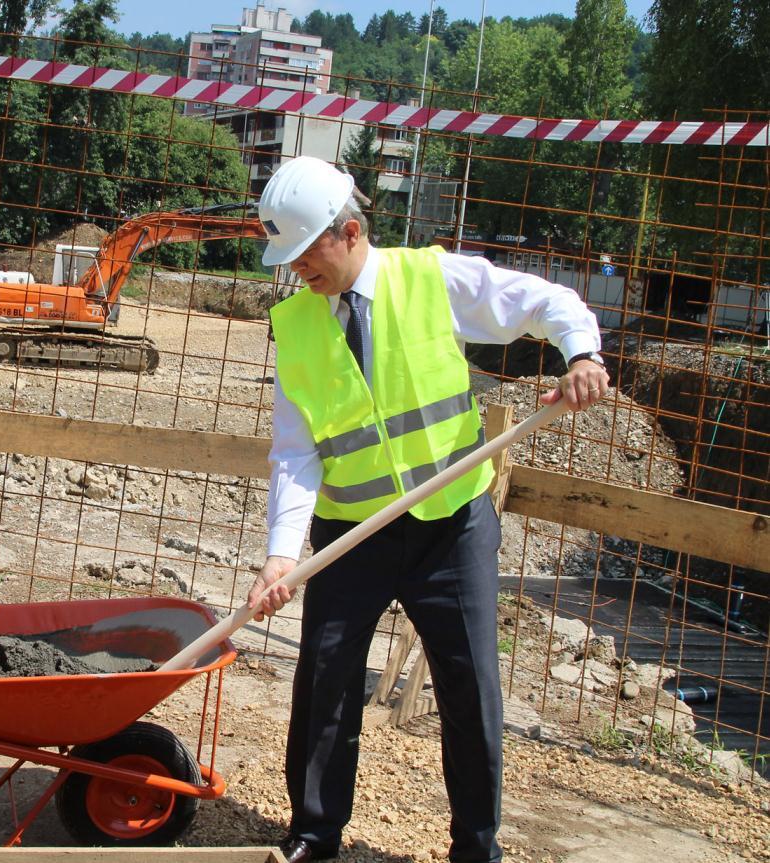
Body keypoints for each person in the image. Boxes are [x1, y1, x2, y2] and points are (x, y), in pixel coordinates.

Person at [247, 156, 609, 863]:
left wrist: (581, 354)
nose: (296, 271)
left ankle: (477, 847)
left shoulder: (432, 279)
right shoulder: (294, 325)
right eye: (285, 258)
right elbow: (296, 452)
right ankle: (315, 835)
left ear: (350, 232)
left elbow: (544, 303)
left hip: (453, 524)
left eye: (304, 254)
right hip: (352, 531)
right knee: (324, 679)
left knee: (471, 687)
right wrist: (282, 554)